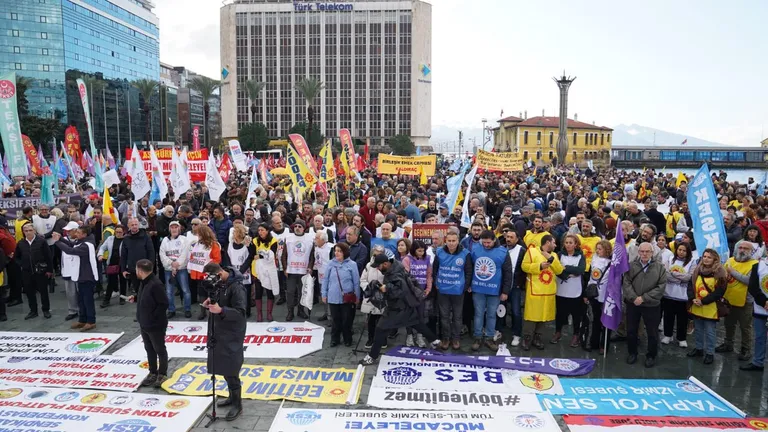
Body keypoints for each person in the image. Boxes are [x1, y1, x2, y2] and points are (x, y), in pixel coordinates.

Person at [359, 254, 441, 366]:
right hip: (406, 305)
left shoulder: (394, 274)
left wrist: (386, 288)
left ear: (385, 264)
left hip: (397, 307)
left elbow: (401, 290)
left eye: (378, 266)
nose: (377, 269)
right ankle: (435, 341)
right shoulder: (396, 265)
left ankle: (372, 356)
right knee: (416, 323)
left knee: (380, 329)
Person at [200, 262, 247, 422]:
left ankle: (237, 404)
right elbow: (219, 300)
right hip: (219, 330)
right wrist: (210, 300)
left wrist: (221, 310)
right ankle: (231, 397)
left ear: (219, 274)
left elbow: (241, 313)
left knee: (232, 369)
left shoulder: (237, 287)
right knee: (223, 366)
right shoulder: (221, 284)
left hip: (232, 333)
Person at [622, 242, 667, 368]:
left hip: (651, 305)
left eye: (648, 251)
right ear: (638, 252)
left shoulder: (660, 268)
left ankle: (651, 355)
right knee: (631, 330)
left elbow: (661, 286)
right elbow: (626, 283)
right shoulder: (631, 266)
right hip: (633, 303)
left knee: (652, 332)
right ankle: (632, 353)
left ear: (652, 253)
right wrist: (634, 297)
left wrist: (644, 298)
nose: (645, 254)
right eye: (642, 251)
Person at [468, 230, 513, 351]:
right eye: (484, 242)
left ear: (494, 240)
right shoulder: (475, 249)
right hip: (478, 288)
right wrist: (468, 284)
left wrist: (505, 291)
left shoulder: (503, 252)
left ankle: (489, 337)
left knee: (491, 315)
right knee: (478, 314)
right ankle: (477, 337)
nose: (486, 245)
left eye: (488, 242)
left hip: (495, 290)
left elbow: (508, 273)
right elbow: (470, 267)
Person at [130, 259, 169, 387]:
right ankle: (153, 372)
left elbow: (163, 304)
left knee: (159, 349)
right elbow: (145, 296)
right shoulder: (144, 282)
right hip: (144, 323)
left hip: (154, 325)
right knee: (149, 349)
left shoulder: (156, 284)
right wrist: (136, 298)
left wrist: (153, 318)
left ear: (140, 271)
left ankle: (162, 373)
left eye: (136, 269)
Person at [521, 234, 564, 350]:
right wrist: (539, 266)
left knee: (544, 316)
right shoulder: (531, 251)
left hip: (548, 291)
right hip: (534, 289)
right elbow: (524, 266)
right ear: (548, 242)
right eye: (554, 242)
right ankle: (527, 338)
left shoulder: (554, 255)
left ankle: (537, 338)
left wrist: (550, 258)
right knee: (531, 316)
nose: (555, 245)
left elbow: (559, 270)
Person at [432, 230, 473, 350]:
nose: (451, 243)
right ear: (445, 241)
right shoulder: (439, 252)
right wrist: (436, 282)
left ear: (458, 241)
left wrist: (464, 287)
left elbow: (468, 272)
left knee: (457, 316)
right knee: (444, 316)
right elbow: (435, 269)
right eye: (449, 241)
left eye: (453, 241)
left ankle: (455, 339)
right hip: (443, 290)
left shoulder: (465, 254)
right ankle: (446, 338)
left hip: (458, 290)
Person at [718, 240, 758, 360]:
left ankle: (746, 349)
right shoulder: (730, 260)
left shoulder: (755, 264)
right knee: (729, 324)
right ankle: (728, 343)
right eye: (740, 247)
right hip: (729, 299)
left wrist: (732, 272)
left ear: (751, 251)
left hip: (745, 301)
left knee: (745, 327)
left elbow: (748, 281)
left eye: (745, 248)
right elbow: (722, 276)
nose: (742, 250)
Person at [52, 227, 98, 331]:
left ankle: (91, 321)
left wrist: (57, 242)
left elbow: (70, 250)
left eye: (78, 232)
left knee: (88, 300)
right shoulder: (81, 242)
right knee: (81, 300)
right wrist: (60, 239)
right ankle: (82, 319)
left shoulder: (86, 246)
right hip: (81, 276)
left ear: (84, 234)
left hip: (87, 276)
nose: (76, 233)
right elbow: (72, 245)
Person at [687, 249, 727, 365]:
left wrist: (703, 301)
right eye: (704, 256)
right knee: (698, 329)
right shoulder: (697, 270)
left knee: (710, 331)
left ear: (715, 259)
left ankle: (710, 353)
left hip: (710, 307)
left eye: (709, 257)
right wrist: (691, 298)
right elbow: (691, 285)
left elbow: (719, 291)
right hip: (696, 305)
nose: (706, 259)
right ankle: (699, 349)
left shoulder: (720, 272)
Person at [321, 242, 361, 347]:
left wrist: (357, 296)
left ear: (345, 252)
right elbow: (325, 279)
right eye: (336, 251)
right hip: (333, 296)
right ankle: (335, 339)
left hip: (347, 297)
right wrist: (324, 294)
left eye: (339, 251)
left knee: (347, 319)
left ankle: (348, 338)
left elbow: (356, 282)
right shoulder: (330, 264)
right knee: (335, 319)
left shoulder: (352, 264)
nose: (337, 253)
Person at [15, 223, 53, 320]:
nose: (28, 233)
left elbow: (48, 256)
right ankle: (33, 311)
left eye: (30, 230)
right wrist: (22, 265)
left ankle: (46, 310)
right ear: (23, 232)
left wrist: (49, 270)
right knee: (29, 292)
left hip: (41, 271)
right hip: (27, 272)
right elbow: (16, 257)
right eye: (26, 231)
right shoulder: (21, 243)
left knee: (43, 291)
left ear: (34, 231)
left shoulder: (41, 241)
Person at [554, 234, 586, 347]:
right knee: (560, 313)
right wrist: (568, 272)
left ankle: (576, 335)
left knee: (576, 315)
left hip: (575, 291)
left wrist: (565, 267)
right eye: (566, 242)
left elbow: (580, 269)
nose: (568, 245)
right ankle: (558, 332)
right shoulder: (559, 255)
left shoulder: (580, 256)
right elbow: (556, 269)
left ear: (575, 244)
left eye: (570, 243)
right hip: (561, 289)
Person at [661, 242, 694, 348]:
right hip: (668, 294)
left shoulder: (692, 262)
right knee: (668, 316)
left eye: (684, 250)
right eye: (679, 249)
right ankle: (667, 335)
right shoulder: (670, 259)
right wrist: (679, 278)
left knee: (682, 319)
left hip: (683, 296)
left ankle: (681, 338)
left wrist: (673, 274)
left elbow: (689, 277)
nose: (681, 252)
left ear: (687, 252)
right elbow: (665, 273)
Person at [402, 240, 433, 348]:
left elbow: (429, 275)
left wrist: (428, 288)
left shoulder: (427, 258)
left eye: (423, 251)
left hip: (422, 292)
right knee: (410, 315)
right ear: (414, 250)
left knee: (421, 315)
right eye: (419, 251)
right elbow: (405, 276)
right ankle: (409, 335)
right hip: (410, 292)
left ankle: (420, 336)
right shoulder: (407, 259)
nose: (421, 253)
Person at [281, 219, 314, 321]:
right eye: (295, 226)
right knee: (290, 292)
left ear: (304, 228)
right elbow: (284, 255)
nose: (297, 228)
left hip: (304, 271)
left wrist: (310, 267)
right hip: (291, 271)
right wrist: (285, 268)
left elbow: (312, 256)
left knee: (302, 292)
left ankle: (300, 310)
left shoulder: (309, 238)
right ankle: (290, 312)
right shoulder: (289, 238)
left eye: (300, 227)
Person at [159, 221, 192, 318]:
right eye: (172, 227)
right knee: (169, 291)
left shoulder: (184, 240)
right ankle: (171, 310)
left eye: (176, 227)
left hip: (181, 268)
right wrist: (171, 264)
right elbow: (162, 254)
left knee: (185, 290)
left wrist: (177, 264)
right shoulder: (165, 240)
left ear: (179, 228)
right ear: (169, 229)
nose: (174, 229)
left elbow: (185, 254)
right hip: (168, 269)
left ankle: (187, 309)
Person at [189, 225, 222, 320]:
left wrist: (207, 267)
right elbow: (193, 257)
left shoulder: (213, 245)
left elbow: (217, 259)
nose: (198, 236)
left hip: (210, 274)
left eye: (199, 234)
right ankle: (202, 312)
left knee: (212, 294)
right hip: (199, 274)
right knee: (201, 294)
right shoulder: (197, 244)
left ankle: (213, 311)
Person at [120, 218, 156, 304]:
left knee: (147, 292)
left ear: (139, 225)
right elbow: (123, 255)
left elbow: (151, 252)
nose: (134, 226)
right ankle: (141, 313)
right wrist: (123, 269)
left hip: (145, 270)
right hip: (133, 270)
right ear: (129, 226)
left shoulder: (146, 236)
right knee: (138, 292)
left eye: (136, 224)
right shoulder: (126, 239)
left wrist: (150, 267)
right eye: (132, 225)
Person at [742, 256, 768, 372]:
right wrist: (764, 302)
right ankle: (758, 362)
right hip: (760, 308)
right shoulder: (758, 266)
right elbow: (753, 286)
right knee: (759, 337)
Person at [586, 240, 612, 354]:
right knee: (596, 319)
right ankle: (594, 342)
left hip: (605, 294)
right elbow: (590, 277)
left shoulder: (611, 263)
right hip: (594, 293)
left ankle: (604, 344)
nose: (598, 251)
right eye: (597, 248)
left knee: (606, 321)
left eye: (600, 249)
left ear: (606, 250)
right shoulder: (594, 259)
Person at [250, 224, 279, 322]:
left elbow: (272, 255)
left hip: (269, 270)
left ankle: (269, 314)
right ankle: (259, 314)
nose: (260, 232)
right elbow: (253, 255)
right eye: (259, 230)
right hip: (257, 270)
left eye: (262, 230)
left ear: (267, 231)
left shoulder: (273, 241)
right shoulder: (254, 241)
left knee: (269, 293)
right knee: (258, 292)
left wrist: (261, 256)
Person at [361, 245, 387, 349]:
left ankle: (382, 339)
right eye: (375, 254)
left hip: (382, 297)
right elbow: (363, 280)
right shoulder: (368, 266)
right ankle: (371, 338)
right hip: (371, 296)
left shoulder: (385, 265)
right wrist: (368, 288)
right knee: (371, 320)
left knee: (382, 320)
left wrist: (383, 288)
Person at [98, 224, 128, 308]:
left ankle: (122, 298)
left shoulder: (126, 240)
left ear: (123, 232)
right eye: (117, 232)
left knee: (123, 281)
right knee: (110, 283)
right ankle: (106, 300)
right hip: (112, 263)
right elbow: (102, 247)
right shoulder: (110, 239)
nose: (118, 234)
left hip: (122, 264)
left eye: (120, 232)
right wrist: (100, 255)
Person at [227, 224, 254, 318]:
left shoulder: (247, 244)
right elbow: (227, 257)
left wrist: (241, 270)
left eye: (235, 232)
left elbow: (250, 258)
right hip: (233, 271)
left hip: (245, 272)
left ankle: (247, 311)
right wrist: (231, 270)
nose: (233, 233)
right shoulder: (230, 244)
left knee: (246, 292)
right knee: (234, 292)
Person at [311, 230, 334, 322]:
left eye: (316, 238)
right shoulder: (316, 247)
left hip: (330, 277)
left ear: (323, 240)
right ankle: (326, 313)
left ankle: (331, 317)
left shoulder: (331, 248)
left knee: (329, 297)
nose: (314, 239)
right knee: (323, 296)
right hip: (320, 275)